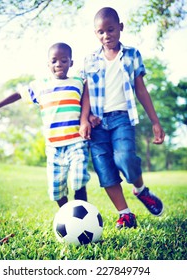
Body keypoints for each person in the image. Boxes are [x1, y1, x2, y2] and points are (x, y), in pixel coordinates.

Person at [79, 7, 165, 229]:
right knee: (104, 170)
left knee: (125, 158)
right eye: (100, 32)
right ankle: (125, 214)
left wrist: (155, 121)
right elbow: (86, 92)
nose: (106, 35)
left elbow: (141, 89)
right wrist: (84, 120)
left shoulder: (132, 54)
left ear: (120, 27)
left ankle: (140, 189)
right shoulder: (89, 60)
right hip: (97, 124)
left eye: (110, 29)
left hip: (122, 119)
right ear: (95, 34)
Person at [0, 42, 90, 208]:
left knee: (78, 179)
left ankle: (81, 204)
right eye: (54, 61)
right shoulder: (40, 85)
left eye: (64, 60)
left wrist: (90, 118)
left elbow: (88, 100)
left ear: (71, 63)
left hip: (76, 141)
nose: (59, 65)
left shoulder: (78, 82)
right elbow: (18, 95)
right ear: (48, 64)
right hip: (53, 147)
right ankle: (67, 214)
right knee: (56, 190)